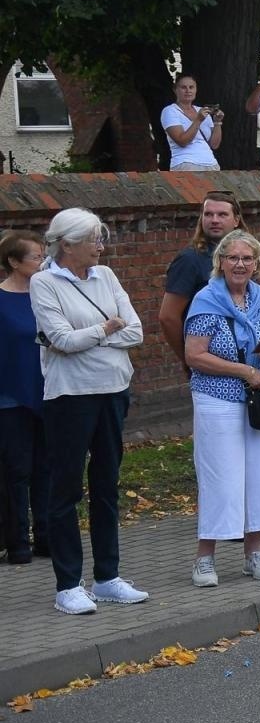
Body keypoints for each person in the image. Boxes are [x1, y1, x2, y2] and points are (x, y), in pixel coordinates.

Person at [32, 208, 147, 614]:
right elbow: (61, 340)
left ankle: (107, 577)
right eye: (94, 239)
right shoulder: (44, 282)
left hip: (113, 390)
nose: (101, 246)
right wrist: (105, 329)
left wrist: (98, 336)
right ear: (67, 244)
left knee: (106, 485)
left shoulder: (107, 276)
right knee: (65, 488)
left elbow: (135, 330)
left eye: (102, 238)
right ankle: (67, 584)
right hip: (70, 396)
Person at [182, 230, 260, 587]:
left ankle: (254, 553)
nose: (240, 264)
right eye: (233, 258)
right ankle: (204, 558)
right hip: (217, 398)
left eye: (247, 258)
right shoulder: (206, 300)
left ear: (256, 263)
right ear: (220, 262)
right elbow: (194, 355)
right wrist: (243, 370)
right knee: (221, 478)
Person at [0, 231, 48, 564]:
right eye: (35, 257)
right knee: (16, 471)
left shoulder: (46, 296)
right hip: (10, 397)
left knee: (47, 469)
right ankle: (17, 541)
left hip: (48, 392)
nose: (42, 262)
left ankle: (46, 537)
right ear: (14, 262)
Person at [158, 190, 245, 372]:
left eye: (222, 214)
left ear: (236, 220)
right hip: (209, 366)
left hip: (244, 360)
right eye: (208, 214)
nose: (214, 220)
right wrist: (189, 358)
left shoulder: (244, 256)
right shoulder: (190, 259)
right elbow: (168, 317)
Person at [161, 72, 223, 171]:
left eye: (191, 87)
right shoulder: (170, 111)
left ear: (196, 89)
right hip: (186, 163)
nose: (188, 91)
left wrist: (217, 123)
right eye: (183, 87)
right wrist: (198, 120)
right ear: (175, 90)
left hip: (211, 163)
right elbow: (182, 141)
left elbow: (214, 145)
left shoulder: (202, 111)